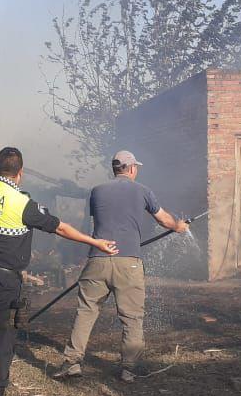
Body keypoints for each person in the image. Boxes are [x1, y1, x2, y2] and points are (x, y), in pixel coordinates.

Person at [0, 147, 117, 396]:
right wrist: (95, 241)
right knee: (3, 336)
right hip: (2, 279)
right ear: (20, 173)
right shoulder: (21, 202)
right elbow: (59, 227)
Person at [53, 150, 187, 383]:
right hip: (128, 263)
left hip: (98, 259)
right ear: (132, 168)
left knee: (86, 312)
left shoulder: (96, 191)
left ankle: (72, 362)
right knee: (132, 317)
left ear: (115, 169)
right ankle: (128, 368)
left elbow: (91, 225)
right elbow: (165, 220)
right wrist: (179, 226)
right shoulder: (143, 191)